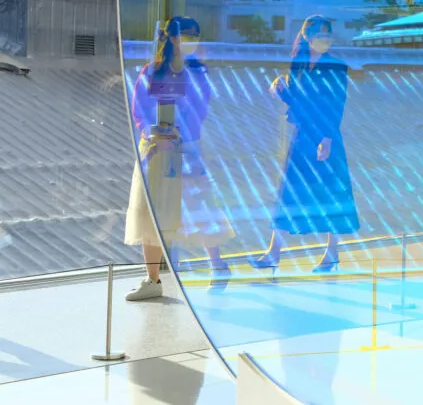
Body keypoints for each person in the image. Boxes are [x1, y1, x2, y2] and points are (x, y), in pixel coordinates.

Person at [125, 16, 229, 301]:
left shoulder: (197, 73)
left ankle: (218, 265)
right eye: (187, 35)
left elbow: (200, 110)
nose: (193, 40)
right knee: (150, 211)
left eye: (197, 35)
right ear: (171, 38)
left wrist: (179, 134)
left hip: (186, 149)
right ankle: (152, 279)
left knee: (198, 207)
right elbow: (139, 109)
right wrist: (153, 133)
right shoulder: (152, 71)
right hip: (156, 150)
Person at [251, 16, 359, 272]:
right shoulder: (298, 66)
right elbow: (299, 102)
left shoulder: (336, 67)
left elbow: (335, 106)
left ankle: (332, 253)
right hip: (302, 137)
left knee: (331, 194)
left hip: (325, 137)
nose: (325, 39)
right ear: (307, 36)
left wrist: (327, 139)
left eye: (328, 34)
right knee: (289, 193)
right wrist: (280, 87)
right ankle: (274, 252)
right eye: (320, 34)